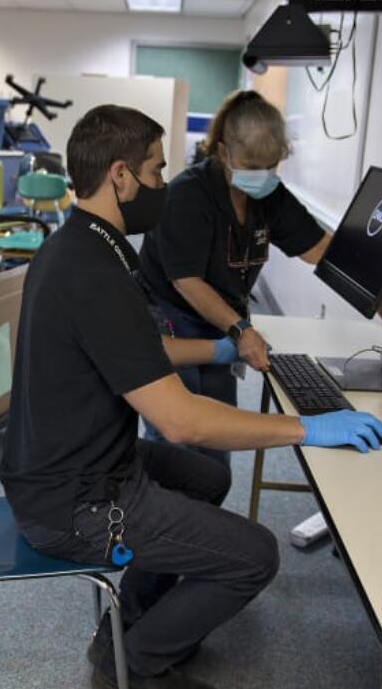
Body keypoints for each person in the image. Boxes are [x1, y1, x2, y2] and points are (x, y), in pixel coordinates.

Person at [0, 105, 382, 689]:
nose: (163, 185)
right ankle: (135, 663)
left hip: (67, 467)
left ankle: (127, 625)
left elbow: (138, 350)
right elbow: (182, 420)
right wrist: (308, 428)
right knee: (257, 555)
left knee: (208, 479)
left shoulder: (81, 247)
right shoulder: (94, 273)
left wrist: (218, 347)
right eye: (156, 172)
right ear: (120, 177)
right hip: (76, 503)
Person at [137, 90, 332, 468]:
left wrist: (374, 267)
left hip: (219, 321)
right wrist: (241, 330)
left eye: (270, 166)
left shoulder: (270, 196)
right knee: (177, 437)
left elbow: (317, 248)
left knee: (216, 438)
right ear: (223, 152)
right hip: (170, 314)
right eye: (250, 164)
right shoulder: (187, 195)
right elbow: (187, 281)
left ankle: (202, 516)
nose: (260, 175)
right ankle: (165, 522)